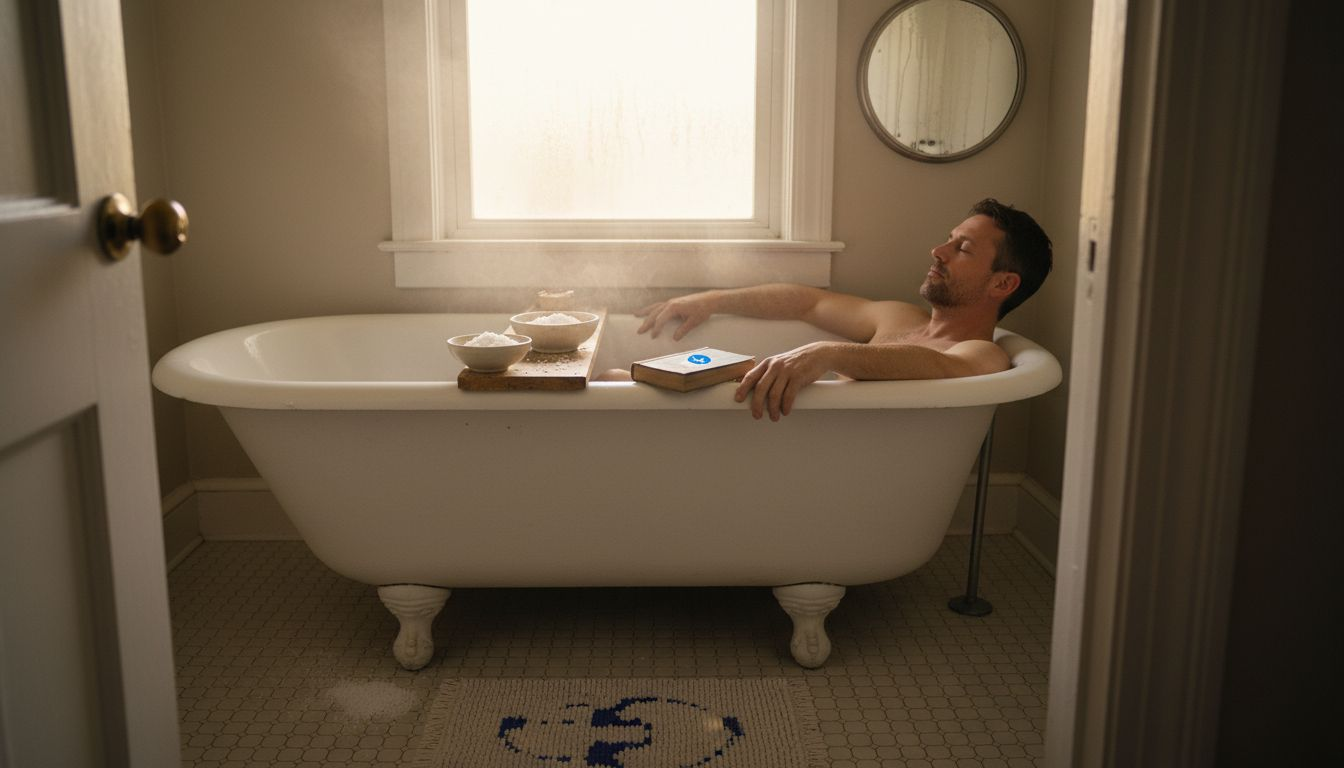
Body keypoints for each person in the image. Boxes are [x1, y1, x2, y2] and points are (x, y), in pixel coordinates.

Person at [634, 198, 1052, 421]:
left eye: (961, 249)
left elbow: (944, 369)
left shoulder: (983, 353)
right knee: (620, 378)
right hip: (768, 437)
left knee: (624, 387)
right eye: (948, 239)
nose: (938, 251)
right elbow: (807, 300)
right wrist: (710, 300)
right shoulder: (899, 318)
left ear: (1002, 283)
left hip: (790, 452)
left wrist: (827, 352)